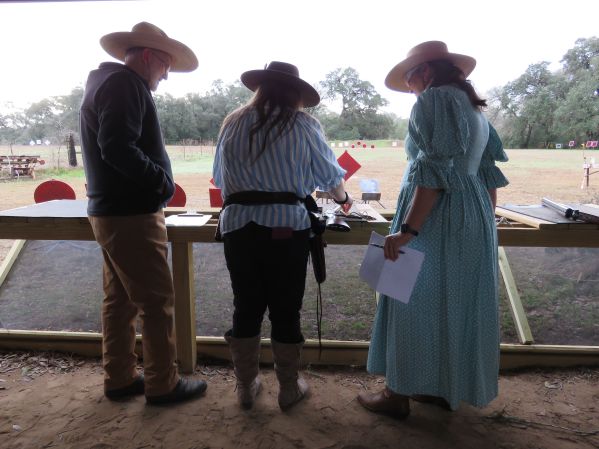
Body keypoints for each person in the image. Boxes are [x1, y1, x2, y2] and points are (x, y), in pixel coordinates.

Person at [357, 41, 509, 418]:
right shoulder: (474, 110)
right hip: (472, 213)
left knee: (407, 298)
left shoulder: (435, 99)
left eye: (410, 80)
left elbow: (434, 174)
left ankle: (396, 394)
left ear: (425, 72)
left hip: (436, 216)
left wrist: (408, 230)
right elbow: (488, 176)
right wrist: (483, 223)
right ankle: (439, 386)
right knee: (453, 302)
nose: (410, 88)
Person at [212, 61, 353, 411]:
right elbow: (330, 177)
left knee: (246, 306)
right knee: (286, 308)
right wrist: (344, 199)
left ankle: (246, 386)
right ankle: (288, 388)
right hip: (287, 227)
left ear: (261, 87)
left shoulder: (232, 122)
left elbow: (220, 179)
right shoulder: (303, 124)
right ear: (295, 93)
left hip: (237, 226)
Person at [80, 22, 207, 404]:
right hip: (132, 214)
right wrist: (161, 183)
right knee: (156, 302)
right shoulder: (126, 84)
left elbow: (112, 144)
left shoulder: (105, 82)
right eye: (166, 65)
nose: (166, 75)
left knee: (119, 300)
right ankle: (162, 383)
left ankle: (119, 377)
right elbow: (117, 146)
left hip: (109, 211)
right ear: (149, 56)